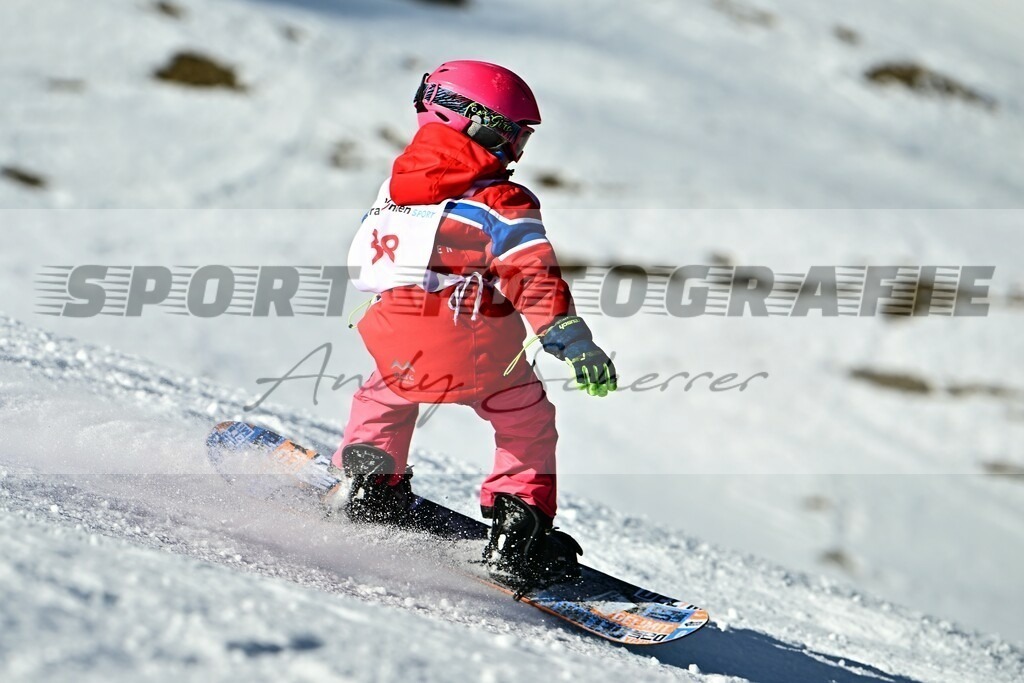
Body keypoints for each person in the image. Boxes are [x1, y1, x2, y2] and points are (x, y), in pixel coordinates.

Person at [334, 60, 617, 592]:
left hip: (397, 342)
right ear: (479, 125)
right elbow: (532, 274)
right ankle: (519, 533)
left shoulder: (396, 189)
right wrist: (571, 340)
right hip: (479, 348)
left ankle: (370, 485)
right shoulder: (501, 202)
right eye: (516, 136)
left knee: (383, 395)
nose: (519, 151)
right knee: (525, 420)